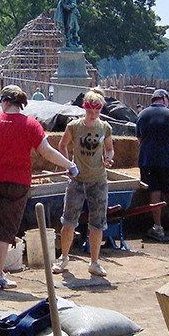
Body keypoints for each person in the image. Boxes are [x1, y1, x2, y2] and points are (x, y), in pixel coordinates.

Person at [0, 85, 77, 289]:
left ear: (5, 101)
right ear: (20, 104)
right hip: (16, 183)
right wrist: (69, 164)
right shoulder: (31, 124)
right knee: (4, 231)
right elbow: (46, 151)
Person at [52, 87, 114, 276]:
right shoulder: (74, 126)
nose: (93, 114)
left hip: (98, 180)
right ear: (84, 108)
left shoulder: (105, 127)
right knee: (69, 221)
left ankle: (94, 262)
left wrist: (109, 158)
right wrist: (68, 164)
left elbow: (110, 148)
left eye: (97, 111)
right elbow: (62, 145)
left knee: (97, 223)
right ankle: (63, 257)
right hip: (77, 180)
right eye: (90, 110)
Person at [136, 89, 169, 238]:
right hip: (166, 161)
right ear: (163, 99)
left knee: (154, 192)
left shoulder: (142, 115)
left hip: (147, 161)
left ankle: (157, 227)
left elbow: (139, 138)